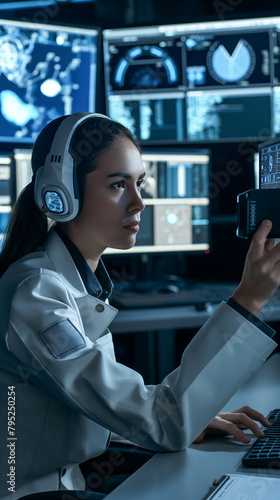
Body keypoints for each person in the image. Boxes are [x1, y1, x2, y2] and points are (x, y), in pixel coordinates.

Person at [0, 112, 279, 500]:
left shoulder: (69, 282)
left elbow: (81, 398)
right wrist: (249, 298)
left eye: (140, 184)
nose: (138, 202)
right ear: (60, 193)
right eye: (118, 185)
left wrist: (189, 417)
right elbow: (162, 427)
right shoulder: (36, 297)